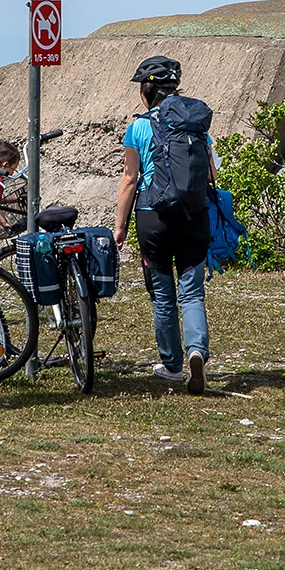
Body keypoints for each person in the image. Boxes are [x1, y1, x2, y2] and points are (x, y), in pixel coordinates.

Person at [113, 55, 217, 394]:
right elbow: (212, 175)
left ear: (146, 91)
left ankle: (172, 365)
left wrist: (120, 227)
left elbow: (130, 179)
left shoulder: (138, 127)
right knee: (192, 292)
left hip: (152, 217)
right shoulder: (195, 124)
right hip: (194, 215)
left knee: (162, 294)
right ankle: (198, 351)